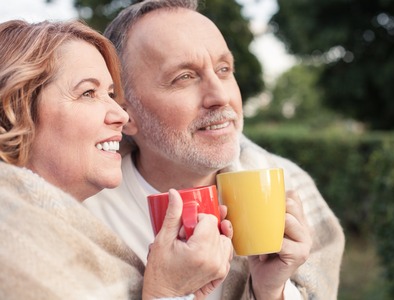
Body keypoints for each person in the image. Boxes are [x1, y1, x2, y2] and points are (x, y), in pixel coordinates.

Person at [84, 0, 345, 299]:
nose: (220, 96)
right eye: (184, 77)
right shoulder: (82, 214)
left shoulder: (290, 185)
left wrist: (270, 290)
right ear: (124, 112)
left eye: (224, 69)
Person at [0, 19, 233, 299]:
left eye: (110, 94)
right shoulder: (14, 247)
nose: (121, 115)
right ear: (14, 111)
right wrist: (167, 290)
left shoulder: (65, 238)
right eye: (88, 93)